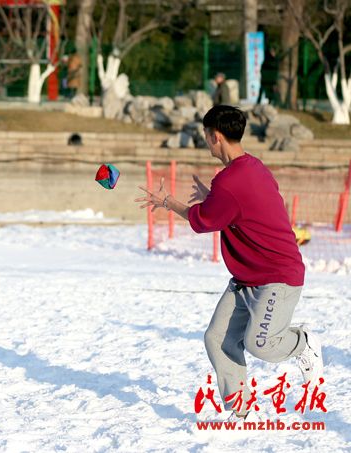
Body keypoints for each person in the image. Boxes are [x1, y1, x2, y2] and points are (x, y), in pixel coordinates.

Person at [135, 105, 323, 420]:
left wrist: (168, 202)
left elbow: (201, 221)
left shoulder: (230, 180)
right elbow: (237, 207)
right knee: (217, 339)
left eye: (205, 135)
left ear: (216, 136)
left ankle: (303, 343)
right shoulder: (253, 167)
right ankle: (240, 409)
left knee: (260, 343)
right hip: (247, 278)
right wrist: (213, 196)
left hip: (277, 276)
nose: (205, 141)